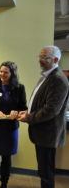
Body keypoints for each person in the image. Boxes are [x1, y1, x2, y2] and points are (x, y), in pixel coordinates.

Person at [18, 46, 69, 188]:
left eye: (45, 57)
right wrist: (27, 112)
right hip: (42, 133)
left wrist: (28, 118)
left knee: (46, 174)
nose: (41, 60)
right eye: (40, 56)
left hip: (48, 134)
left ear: (56, 59)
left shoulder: (58, 79)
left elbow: (51, 110)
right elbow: (40, 102)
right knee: (43, 171)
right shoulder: (47, 76)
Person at [0, 61, 27, 188]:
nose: (2, 74)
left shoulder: (19, 88)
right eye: (1, 71)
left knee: (7, 158)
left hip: (9, 128)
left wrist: (17, 112)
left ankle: (4, 184)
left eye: (6, 72)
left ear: (12, 74)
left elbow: (23, 107)